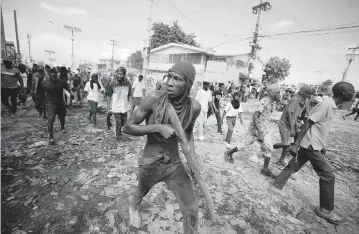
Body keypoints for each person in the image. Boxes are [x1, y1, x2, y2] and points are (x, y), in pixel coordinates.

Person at [123, 61, 200, 233]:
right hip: (151, 161)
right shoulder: (154, 98)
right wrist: (157, 127)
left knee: (192, 209)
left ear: (188, 84)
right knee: (141, 190)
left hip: (174, 163)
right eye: (169, 77)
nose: (170, 83)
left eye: (177, 79)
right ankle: (133, 206)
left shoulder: (194, 107)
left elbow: (188, 135)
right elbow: (127, 127)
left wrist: (193, 162)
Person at [272, 82, 355, 224]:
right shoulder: (326, 104)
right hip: (310, 145)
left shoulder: (331, 105)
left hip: (313, 144)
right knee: (328, 176)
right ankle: (325, 210)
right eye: (351, 92)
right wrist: (296, 144)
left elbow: (319, 126)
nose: (353, 94)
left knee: (294, 165)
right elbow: (308, 123)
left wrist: (323, 144)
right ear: (342, 93)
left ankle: (276, 185)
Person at [224, 84, 281, 178]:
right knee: (245, 144)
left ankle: (265, 169)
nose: (280, 95)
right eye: (278, 92)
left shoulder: (272, 102)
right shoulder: (264, 101)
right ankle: (229, 153)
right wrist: (259, 133)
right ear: (272, 93)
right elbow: (255, 116)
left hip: (264, 129)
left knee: (267, 148)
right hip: (256, 129)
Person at [275, 86, 313, 166]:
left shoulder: (305, 101)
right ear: (303, 92)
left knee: (292, 142)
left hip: (294, 123)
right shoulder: (295, 99)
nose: (309, 95)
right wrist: (292, 128)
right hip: (285, 123)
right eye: (308, 93)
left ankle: (281, 160)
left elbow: (303, 115)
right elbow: (290, 114)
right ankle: (271, 146)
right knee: (286, 144)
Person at [42, 68, 71, 145]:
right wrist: (44, 104)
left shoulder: (62, 83)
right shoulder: (45, 83)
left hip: (61, 103)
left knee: (62, 117)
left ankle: (62, 126)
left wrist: (69, 100)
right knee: (50, 119)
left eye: (55, 76)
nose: (54, 78)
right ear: (49, 76)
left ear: (57, 75)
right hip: (51, 104)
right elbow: (42, 94)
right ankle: (51, 137)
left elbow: (68, 91)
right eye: (52, 77)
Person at [107, 67, 131, 141]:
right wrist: (108, 108)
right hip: (116, 106)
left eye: (121, 74)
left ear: (124, 75)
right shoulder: (112, 84)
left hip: (124, 106)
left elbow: (129, 95)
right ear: (116, 73)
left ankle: (117, 130)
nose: (119, 75)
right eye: (118, 73)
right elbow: (109, 97)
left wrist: (130, 106)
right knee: (118, 122)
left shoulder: (128, 84)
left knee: (124, 122)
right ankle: (118, 136)